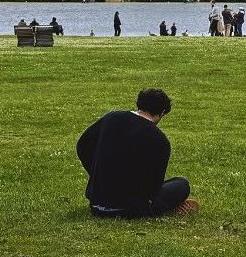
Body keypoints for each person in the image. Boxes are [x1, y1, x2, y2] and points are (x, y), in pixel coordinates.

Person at [76, 88, 197, 219]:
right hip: (130, 209)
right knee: (181, 184)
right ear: (162, 113)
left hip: (97, 204)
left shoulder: (112, 118)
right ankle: (168, 206)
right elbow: (153, 188)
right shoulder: (159, 140)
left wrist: (98, 175)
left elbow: (83, 145)